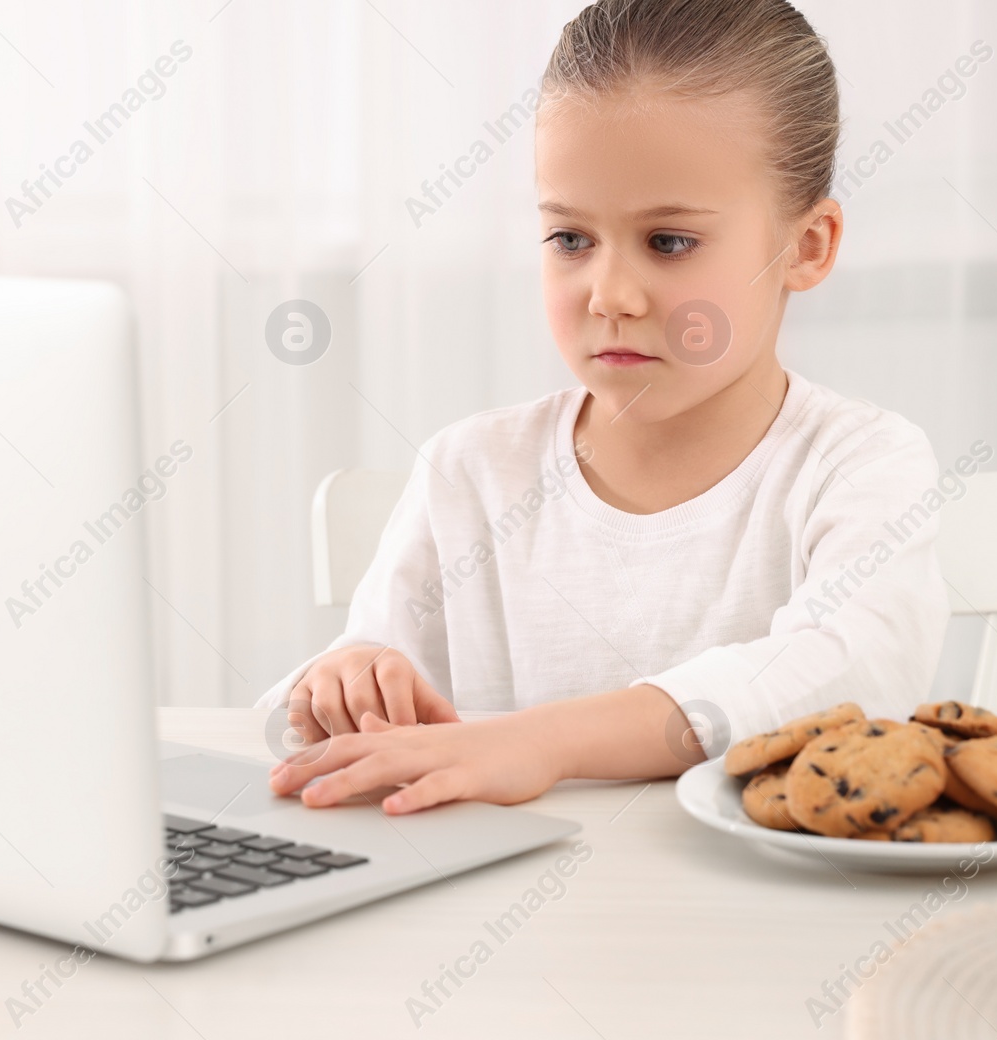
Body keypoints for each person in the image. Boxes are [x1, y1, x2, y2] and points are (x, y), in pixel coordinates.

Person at [260, 0, 950, 814]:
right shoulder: (472, 474)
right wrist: (339, 682)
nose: (611, 295)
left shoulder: (860, 464)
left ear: (806, 245)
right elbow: (334, 709)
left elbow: (847, 667)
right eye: (570, 240)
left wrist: (542, 742)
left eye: (669, 242)